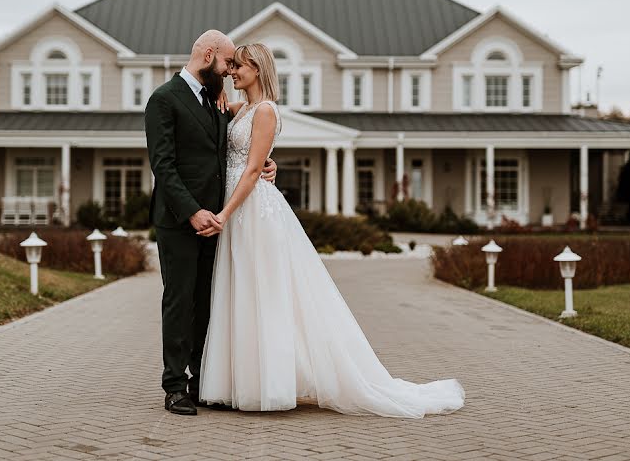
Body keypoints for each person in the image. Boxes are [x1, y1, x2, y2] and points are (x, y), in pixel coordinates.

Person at [198, 43, 465, 418]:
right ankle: (240, 381)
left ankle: (269, 384)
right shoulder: (241, 109)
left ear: (257, 69)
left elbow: (254, 169)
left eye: (238, 67)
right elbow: (229, 134)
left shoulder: (267, 111)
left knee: (266, 293)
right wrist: (221, 85)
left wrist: (224, 214)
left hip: (253, 211)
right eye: (232, 68)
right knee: (241, 289)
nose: (233, 72)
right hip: (241, 210)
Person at [144, 30, 277, 416]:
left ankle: (204, 380)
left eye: (236, 65)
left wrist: (268, 163)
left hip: (219, 221)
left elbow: (241, 145)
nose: (230, 69)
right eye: (227, 62)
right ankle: (174, 386)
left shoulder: (216, 101)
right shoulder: (163, 100)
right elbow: (163, 167)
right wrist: (192, 211)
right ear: (207, 55)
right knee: (179, 301)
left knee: (208, 301)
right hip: (180, 220)